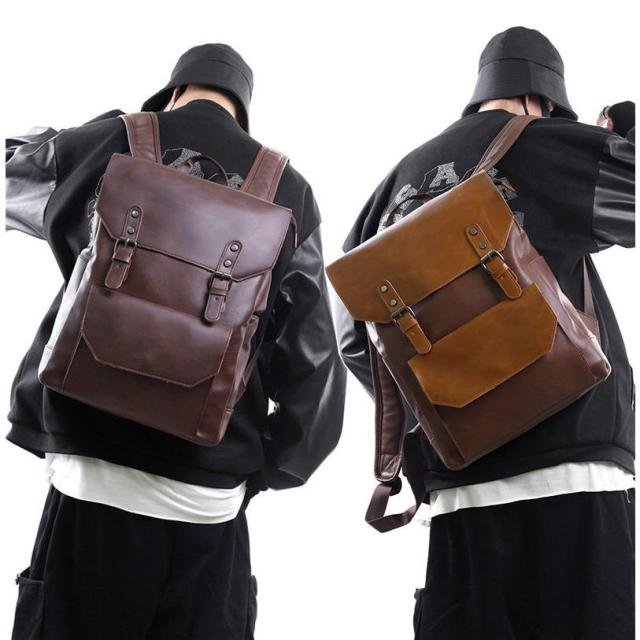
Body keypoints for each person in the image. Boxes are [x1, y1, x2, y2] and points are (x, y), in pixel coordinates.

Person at [6, 43, 346, 640]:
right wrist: (262, 469)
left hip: (89, 476)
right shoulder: (290, 190)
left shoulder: (107, 142)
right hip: (206, 498)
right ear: (242, 108)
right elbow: (314, 366)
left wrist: (106, 128)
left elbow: (12, 174)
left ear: (171, 92)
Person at [337, 27, 635, 639]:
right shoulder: (556, 145)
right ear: (543, 99)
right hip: (575, 469)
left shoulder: (394, 183)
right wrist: (623, 132)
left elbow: (355, 339)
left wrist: (446, 404)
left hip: (460, 487)